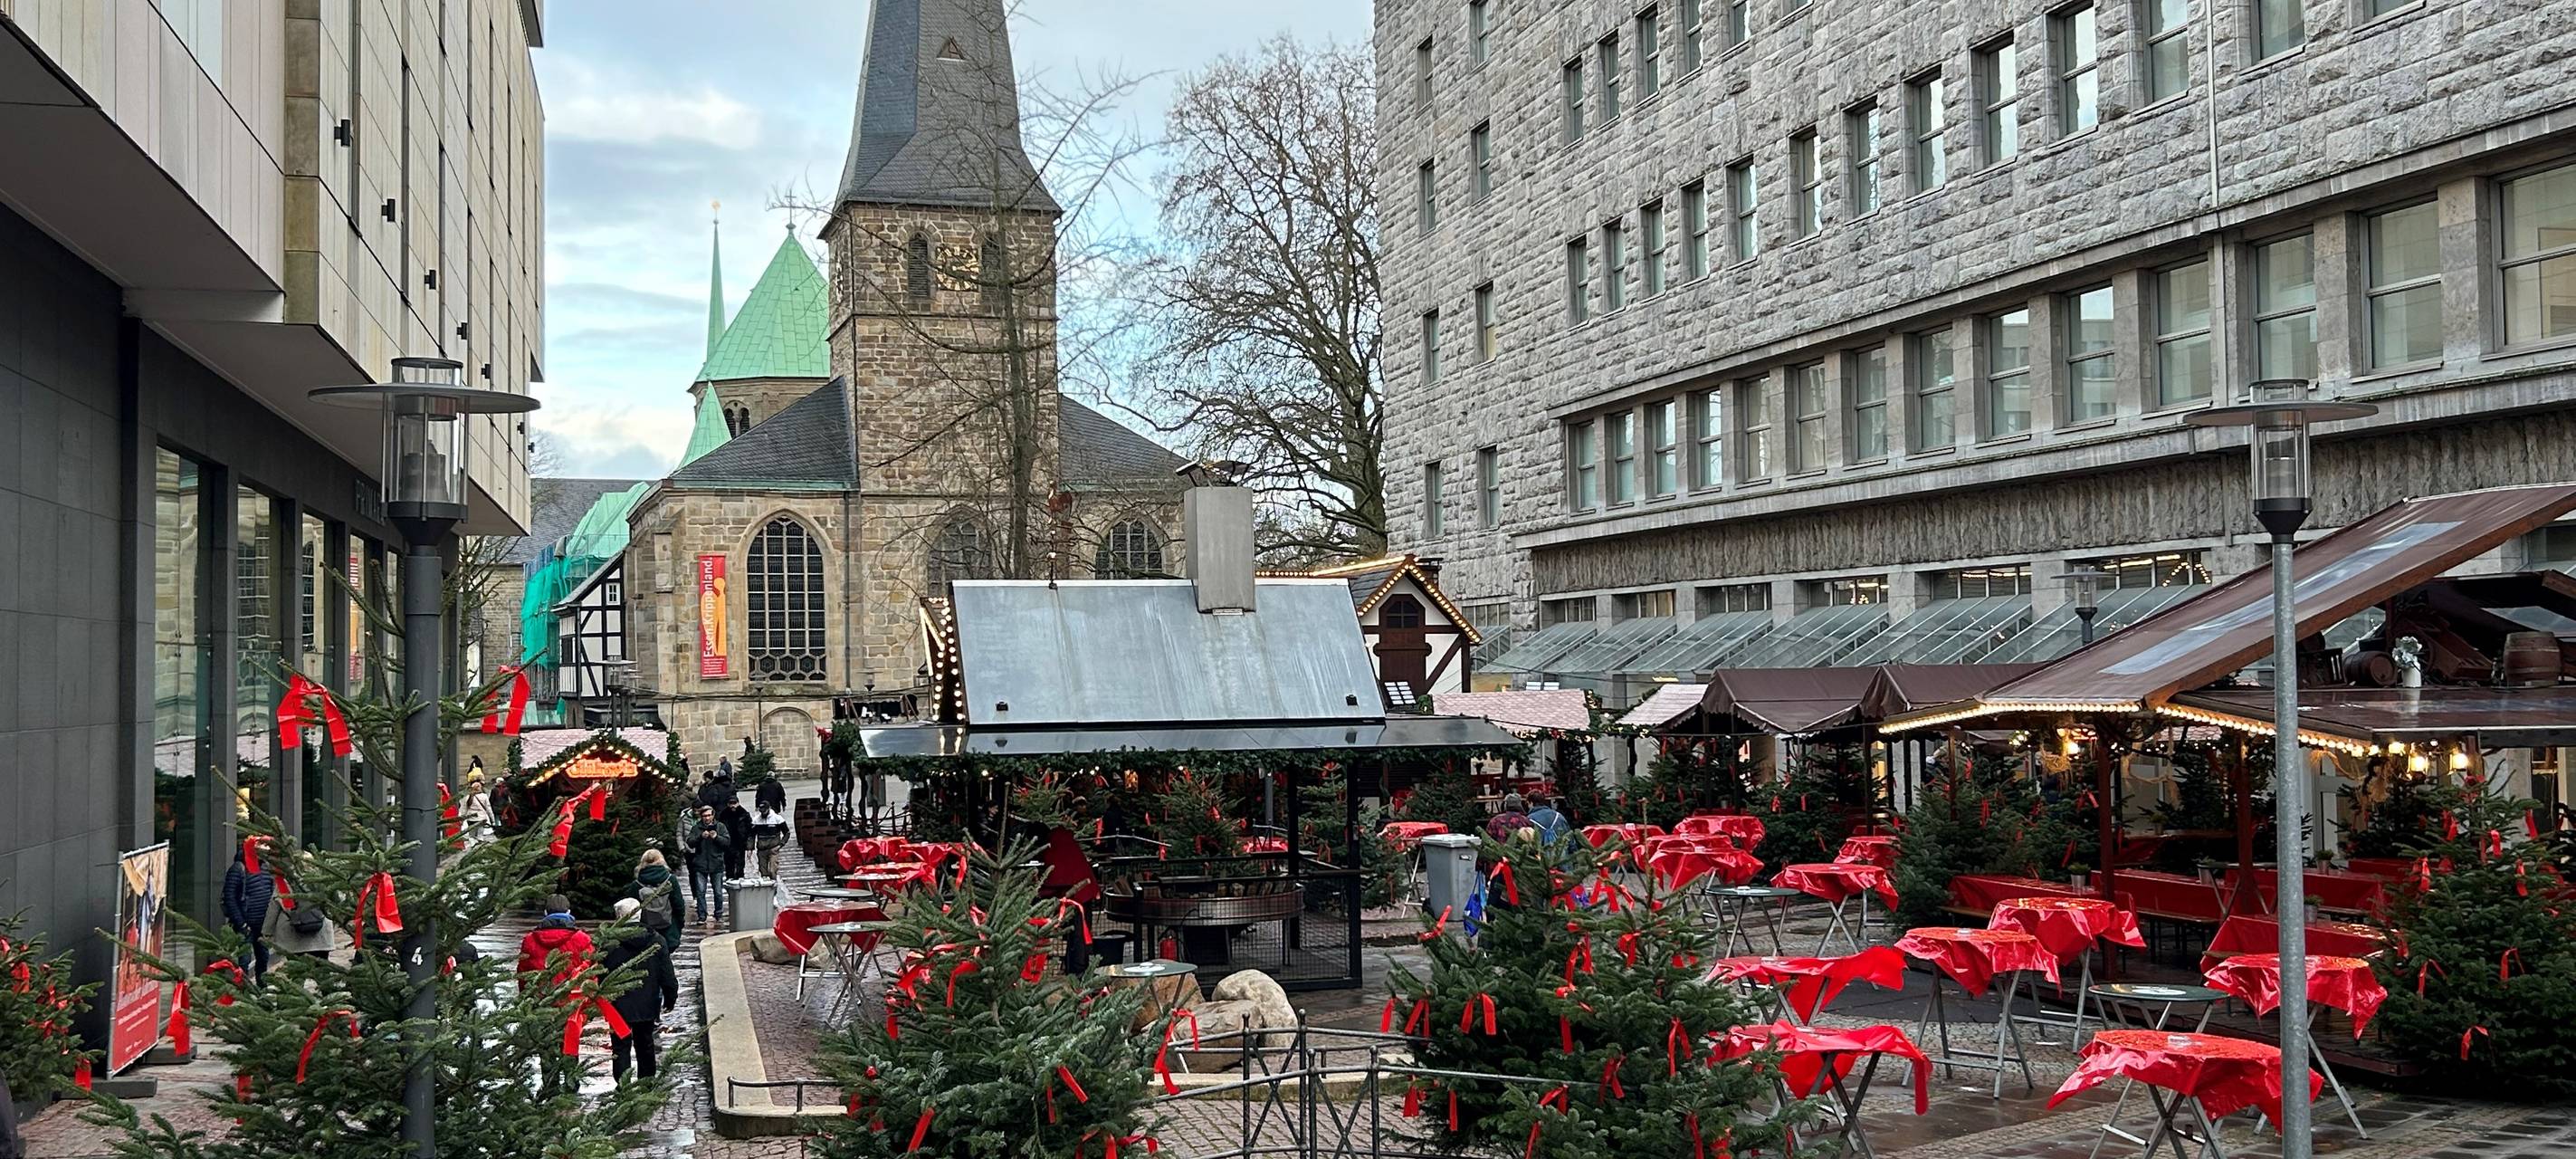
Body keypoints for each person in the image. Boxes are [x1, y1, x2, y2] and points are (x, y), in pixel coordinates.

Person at [601, 897, 678, 1081]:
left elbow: (601, 973)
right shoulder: (656, 940)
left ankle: (623, 1083)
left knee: (620, 1046)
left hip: (618, 1003)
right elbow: (666, 973)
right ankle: (646, 1080)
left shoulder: (609, 943)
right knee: (645, 1043)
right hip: (647, 1001)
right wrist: (670, 997)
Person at [219, 846, 276, 978]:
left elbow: (271, 893)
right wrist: (241, 923)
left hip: (262, 924)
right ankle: (243, 991)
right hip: (245, 925)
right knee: (244, 960)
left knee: (263, 957)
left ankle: (261, 989)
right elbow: (230, 898)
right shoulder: (239, 869)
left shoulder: (266, 868)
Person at [516, 894, 595, 980]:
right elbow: (591, 971)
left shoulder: (530, 939)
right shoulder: (582, 939)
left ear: (545, 912)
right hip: (572, 992)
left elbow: (523, 973)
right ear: (568, 912)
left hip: (539, 991)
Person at [682, 806, 730, 926]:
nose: (707, 818)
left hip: (716, 864)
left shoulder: (720, 827)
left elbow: (727, 842)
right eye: (704, 816)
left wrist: (716, 837)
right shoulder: (697, 828)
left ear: (713, 815)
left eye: (709, 815)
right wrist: (700, 837)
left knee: (718, 892)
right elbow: (690, 842)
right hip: (700, 864)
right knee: (700, 892)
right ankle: (702, 916)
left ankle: (718, 914)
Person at [634, 848, 686, 952]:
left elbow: (632, 909)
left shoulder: (637, 884)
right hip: (668, 928)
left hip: (646, 929)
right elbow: (678, 904)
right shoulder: (670, 880)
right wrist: (680, 923)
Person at [749, 799, 788, 879]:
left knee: (772, 870)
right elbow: (751, 835)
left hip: (773, 849)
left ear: (769, 809)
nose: (763, 813)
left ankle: (774, 886)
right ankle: (768, 889)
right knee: (763, 872)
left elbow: (787, 833)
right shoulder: (756, 820)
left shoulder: (778, 819)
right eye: (761, 811)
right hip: (761, 850)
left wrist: (781, 845)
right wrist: (750, 849)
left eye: (764, 811)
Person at [717, 797, 754, 880]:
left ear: (738, 803)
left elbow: (750, 831)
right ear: (728, 804)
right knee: (729, 865)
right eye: (731, 803)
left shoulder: (744, 814)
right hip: (728, 843)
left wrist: (749, 847)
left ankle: (739, 879)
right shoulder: (724, 814)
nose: (733, 806)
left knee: (740, 865)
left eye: (734, 803)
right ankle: (730, 881)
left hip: (740, 843)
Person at [461, 767, 498, 846]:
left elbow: (464, 809)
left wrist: (462, 819)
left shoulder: (468, 797)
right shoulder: (484, 796)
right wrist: (492, 820)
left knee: (471, 835)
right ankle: (479, 847)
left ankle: (472, 846)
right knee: (480, 835)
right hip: (481, 818)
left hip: (471, 818)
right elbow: (488, 809)